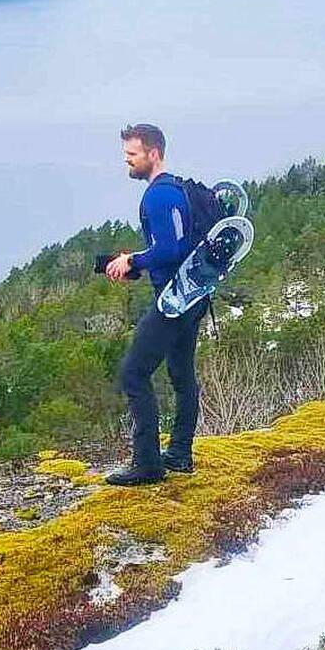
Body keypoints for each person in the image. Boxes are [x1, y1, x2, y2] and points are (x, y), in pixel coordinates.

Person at [104, 123, 208, 485]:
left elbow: (170, 249)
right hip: (195, 295)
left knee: (134, 374)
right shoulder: (178, 188)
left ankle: (148, 465)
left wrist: (132, 261)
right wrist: (135, 261)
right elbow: (177, 246)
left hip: (174, 299)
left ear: (153, 153)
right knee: (181, 375)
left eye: (132, 155)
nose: (128, 162)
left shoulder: (158, 196)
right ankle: (180, 454)